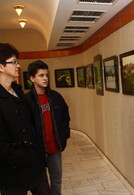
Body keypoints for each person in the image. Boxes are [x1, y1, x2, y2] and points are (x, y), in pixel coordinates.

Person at [0, 43, 50, 195]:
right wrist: (19, 157)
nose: (18, 65)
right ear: (1, 67)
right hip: (11, 171)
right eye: (14, 62)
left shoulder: (19, 92)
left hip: (35, 165)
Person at [26, 60, 71, 195]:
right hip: (38, 150)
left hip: (55, 147)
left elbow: (65, 116)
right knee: (41, 185)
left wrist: (65, 135)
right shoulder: (26, 100)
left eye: (46, 75)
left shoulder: (56, 97)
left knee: (57, 180)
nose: (45, 78)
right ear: (32, 78)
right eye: (41, 75)